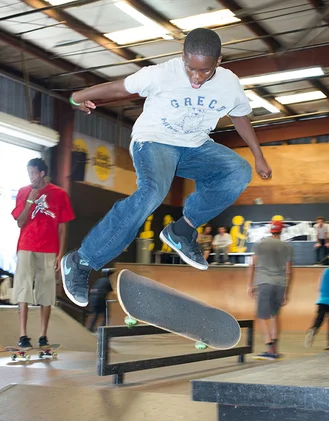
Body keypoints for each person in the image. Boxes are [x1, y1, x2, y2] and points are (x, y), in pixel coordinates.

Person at [61, 28, 272, 307]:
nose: (197, 78)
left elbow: (240, 116)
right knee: (152, 193)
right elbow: (120, 87)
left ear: (218, 62)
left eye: (205, 71)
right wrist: (80, 96)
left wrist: (259, 156)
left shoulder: (229, 84)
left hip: (194, 146)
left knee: (238, 171)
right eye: (191, 69)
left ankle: (182, 230)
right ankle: (81, 260)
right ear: (182, 56)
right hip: (154, 142)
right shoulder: (160, 73)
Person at [11, 158, 75, 348]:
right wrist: (30, 200)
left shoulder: (60, 194)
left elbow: (63, 227)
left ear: (42, 173)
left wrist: (60, 253)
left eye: (33, 173)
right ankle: (23, 335)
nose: (30, 177)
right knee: (23, 289)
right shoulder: (24, 192)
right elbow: (20, 222)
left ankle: (43, 336)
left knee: (46, 292)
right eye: (28, 173)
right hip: (26, 246)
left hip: (48, 248)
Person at [248, 220, 293, 360]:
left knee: (262, 316)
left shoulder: (260, 245)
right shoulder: (287, 247)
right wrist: (286, 291)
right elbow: (289, 271)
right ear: (281, 231)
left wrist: (250, 285)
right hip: (280, 284)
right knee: (275, 315)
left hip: (264, 282)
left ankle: (270, 348)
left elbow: (252, 265)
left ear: (270, 230)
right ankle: (275, 349)